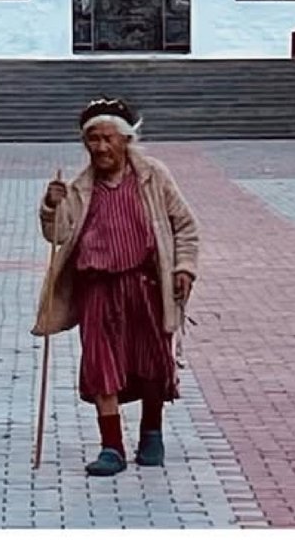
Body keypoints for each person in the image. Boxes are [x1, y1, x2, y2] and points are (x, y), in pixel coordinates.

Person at [34, 97, 200, 476]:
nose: (101, 147)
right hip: (98, 289)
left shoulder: (153, 176)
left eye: (108, 138)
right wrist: (50, 206)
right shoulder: (78, 188)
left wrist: (184, 268)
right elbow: (57, 235)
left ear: (126, 140)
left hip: (145, 284)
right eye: (93, 140)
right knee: (100, 364)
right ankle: (111, 447)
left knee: (152, 362)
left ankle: (152, 433)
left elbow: (186, 226)